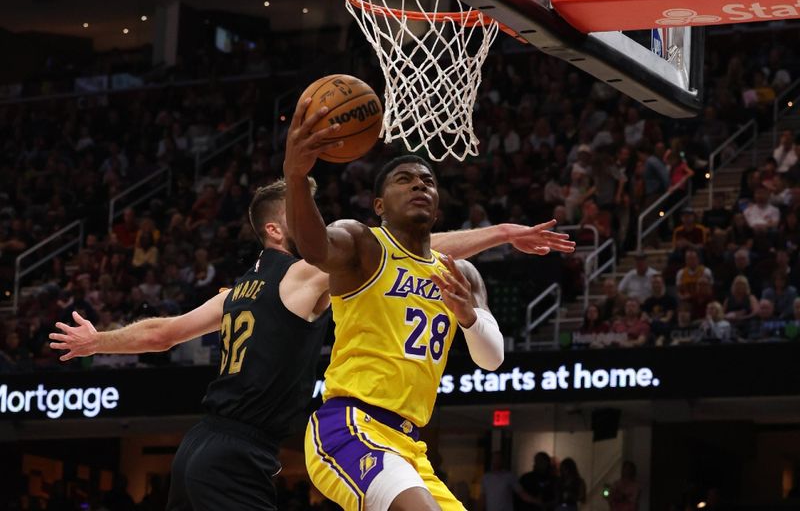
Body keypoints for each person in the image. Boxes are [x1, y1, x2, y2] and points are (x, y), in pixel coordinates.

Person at [52, 174, 573, 510]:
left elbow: (162, 333)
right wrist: (500, 234)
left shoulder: (237, 291)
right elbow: (410, 249)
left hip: (199, 444)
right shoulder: (304, 275)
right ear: (281, 230)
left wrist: (99, 342)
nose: (318, 225)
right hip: (246, 450)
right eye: (309, 217)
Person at [283, 99, 574, 511]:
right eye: (403, 179)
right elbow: (313, 247)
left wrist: (469, 318)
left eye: (427, 181)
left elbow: (492, 359)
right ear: (379, 206)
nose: (419, 185)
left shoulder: (462, 274)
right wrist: (295, 176)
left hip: (410, 447)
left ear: (437, 203)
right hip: (349, 426)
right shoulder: (362, 245)